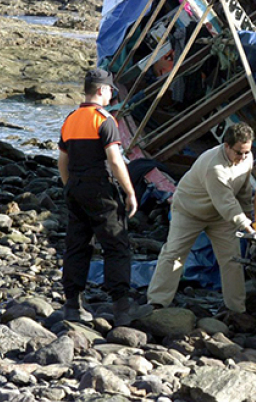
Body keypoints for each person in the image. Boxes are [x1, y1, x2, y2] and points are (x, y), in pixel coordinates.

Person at [58, 68, 145, 327]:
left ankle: (72, 305)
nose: (111, 95)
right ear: (100, 90)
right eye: (109, 90)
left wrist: (69, 186)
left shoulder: (71, 119)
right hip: (100, 189)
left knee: (77, 245)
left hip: (75, 187)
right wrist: (130, 192)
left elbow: (63, 160)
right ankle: (121, 309)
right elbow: (115, 161)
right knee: (116, 246)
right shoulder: (105, 120)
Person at [147, 122, 256, 314]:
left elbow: (244, 190)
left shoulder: (247, 158)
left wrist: (252, 217)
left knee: (232, 260)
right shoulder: (214, 167)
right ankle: (157, 303)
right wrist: (247, 227)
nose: (242, 157)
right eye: (238, 152)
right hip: (189, 211)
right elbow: (227, 204)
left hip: (219, 217)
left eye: (246, 152)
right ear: (226, 146)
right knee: (174, 254)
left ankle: (236, 309)